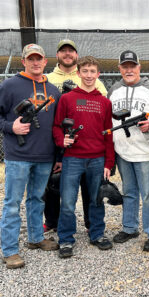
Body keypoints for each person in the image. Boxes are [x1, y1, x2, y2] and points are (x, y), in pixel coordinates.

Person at [0, 44, 60, 269]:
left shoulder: (53, 91)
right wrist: (10, 127)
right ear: (23, 61)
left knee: (37, 199)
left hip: (45, 156)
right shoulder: (9, 85)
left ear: (46, 62)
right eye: (31, 59)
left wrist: (57, 155)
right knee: (12, 203)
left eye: (39, 59)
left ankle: (36, 238)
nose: (35, 63)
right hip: (18, 156)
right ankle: (10, 250)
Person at [53, 56, 114, 258]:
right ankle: (66, 239)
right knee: (68, 201)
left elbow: (108, 133)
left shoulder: (104, 102)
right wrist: (62, 140)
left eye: (92, 71)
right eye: (85, 71)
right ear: (78, 73)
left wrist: (109, 162)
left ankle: (97, 234)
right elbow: (56, 126)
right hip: (73, 159)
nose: (89, 75)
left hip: (97, 159)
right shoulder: (67, 98)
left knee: (96, 199)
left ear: (99, 74)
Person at [44, 39, 108, 232]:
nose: (67, 54)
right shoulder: (50, 81)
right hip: (65, 151)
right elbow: (57, 124)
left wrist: (108, 161)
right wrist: (60, 146)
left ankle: (94, 228)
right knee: (62, 195)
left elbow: (106, 127)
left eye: (70, 51)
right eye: (63, 51)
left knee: (93, 195)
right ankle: (59, 229)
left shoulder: (101, 96)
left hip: (94, 154)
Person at [108, 50, 149, 252]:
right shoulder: (114, 90)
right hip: (123, 151)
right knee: (129, 192)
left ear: (139, 67)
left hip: (146, 152)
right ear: (119, 69)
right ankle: (130, 227)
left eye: (132, 66)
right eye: (124, 67)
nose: (129, 70)